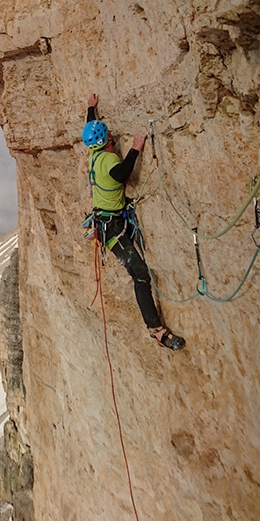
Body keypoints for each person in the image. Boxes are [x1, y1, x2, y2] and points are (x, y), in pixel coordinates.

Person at [83, 93, 185, 351]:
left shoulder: (93, 155)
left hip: (109, 223)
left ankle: (156, 329)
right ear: (106, 139)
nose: (111, 136)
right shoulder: (108, 161)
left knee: (139, 271)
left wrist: (91, 108)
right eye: (108, 135)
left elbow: (91, 131)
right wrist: (137, 147)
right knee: (140, 274)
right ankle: (156, 330)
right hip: (113, 229)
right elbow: (122, 174)